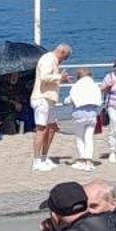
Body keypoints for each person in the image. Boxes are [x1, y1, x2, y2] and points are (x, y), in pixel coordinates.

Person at [31, 41, 72, 172]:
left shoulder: (52, 60)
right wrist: (59, 77)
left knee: (52, 128)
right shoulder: (48, 59)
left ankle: (44, 157)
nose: (63, 62)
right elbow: (44, 77)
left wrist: (61, 78)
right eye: (64, 58)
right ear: (62, 53)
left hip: (49, 99)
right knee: (41, 129)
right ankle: (36, 161)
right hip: (42, 98)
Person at [68, 63, 103, 168]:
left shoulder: (77, 86)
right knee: (89, 138)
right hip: (92, 115)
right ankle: (89, 161)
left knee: (79, 138)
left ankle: (82, 159)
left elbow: (70, 99)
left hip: (79, 115)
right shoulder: (94, 85)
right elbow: (99, 100)